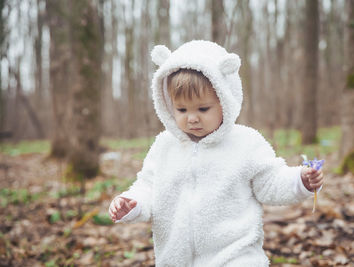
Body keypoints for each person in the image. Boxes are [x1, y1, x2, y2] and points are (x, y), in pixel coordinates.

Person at [109, 40, 323, 267]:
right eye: (181, 109)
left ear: (225, 100)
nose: (192, 118)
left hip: (235, 256)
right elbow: (148, 187)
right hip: (176, 259)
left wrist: (300, 180)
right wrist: (131, 203)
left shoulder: (245, 143)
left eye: (203, 109)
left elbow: (270, 182)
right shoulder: (164, 146)